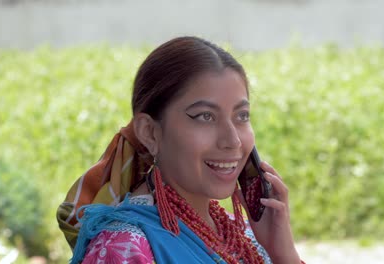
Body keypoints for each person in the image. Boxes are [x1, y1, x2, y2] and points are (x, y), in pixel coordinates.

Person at [57, 36, 304, 264]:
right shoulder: (125, 248)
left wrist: (282, 253)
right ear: (150, 132)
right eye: (205, 116)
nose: (233, 140)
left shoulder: (246, 237)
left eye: (242, 116)